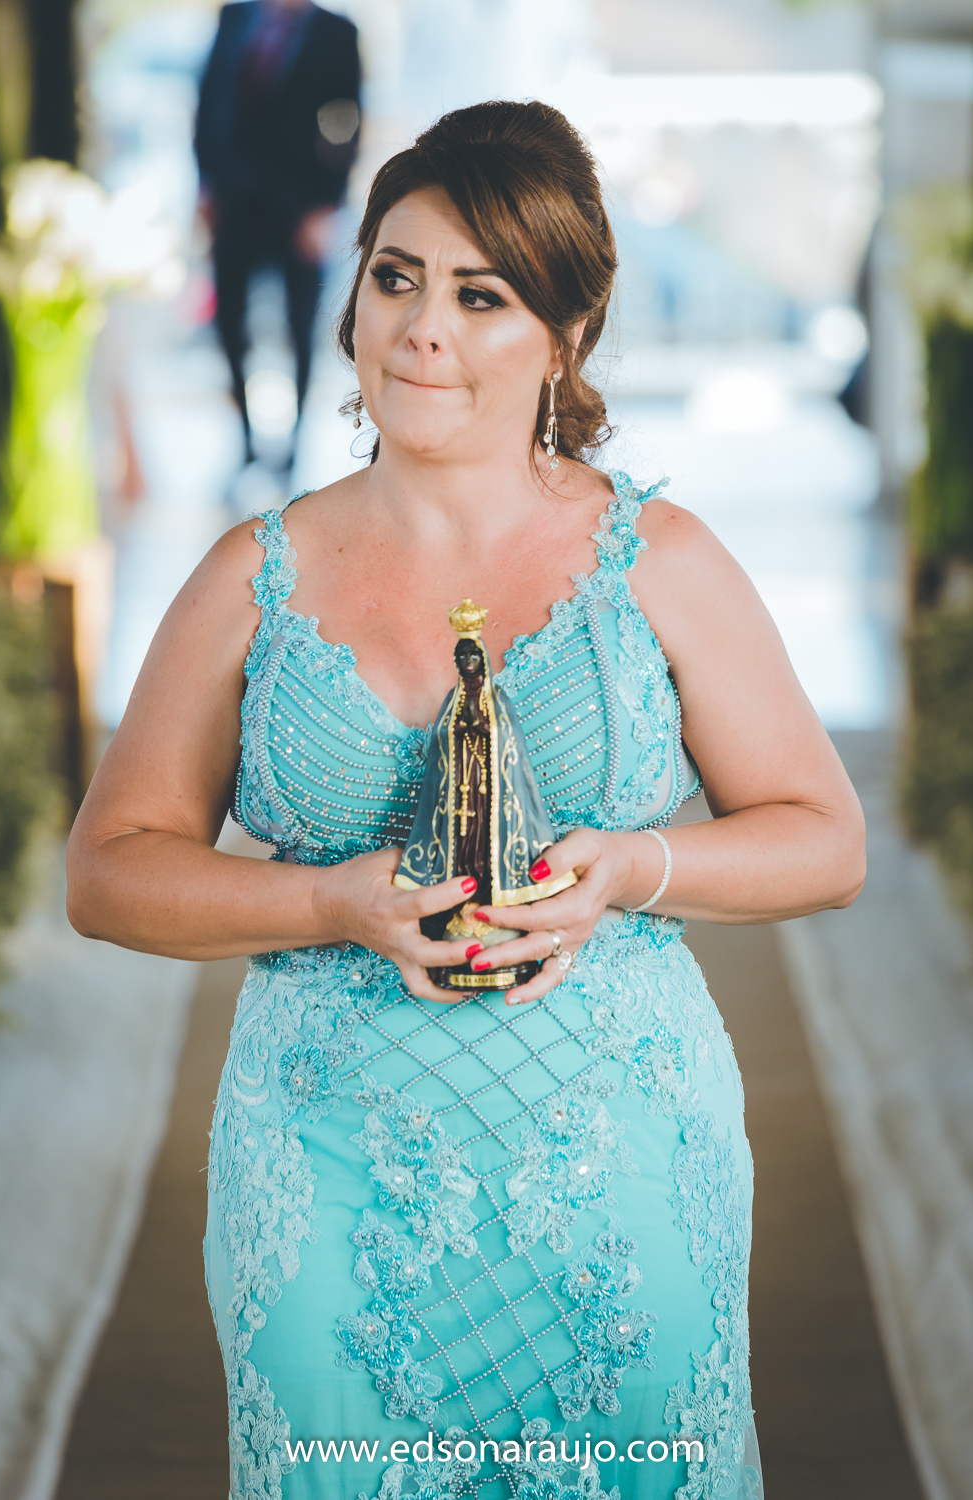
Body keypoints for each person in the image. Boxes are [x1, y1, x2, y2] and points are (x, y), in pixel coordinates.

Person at [67, 100, 866, 1499]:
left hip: (617, 1161)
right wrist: (324, 900)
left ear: (562, 335)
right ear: (355, 300)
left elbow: (827, 839)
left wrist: (630, 868)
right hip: (327, 1174)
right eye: (397, 277)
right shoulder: (247, 576)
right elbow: (112, 870)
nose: (423, 327)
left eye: (480, 294)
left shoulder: (661, 560)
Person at [194, 0, 360, 468]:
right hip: (233, 199)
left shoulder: (336, 31)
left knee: (300, 323)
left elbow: (346, 118)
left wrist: (327, 204)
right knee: (228, 321)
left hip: (299, 204)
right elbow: (209, 99)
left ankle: (295, 440)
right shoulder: (234, 17)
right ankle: (245, 438)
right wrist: (205, 186)